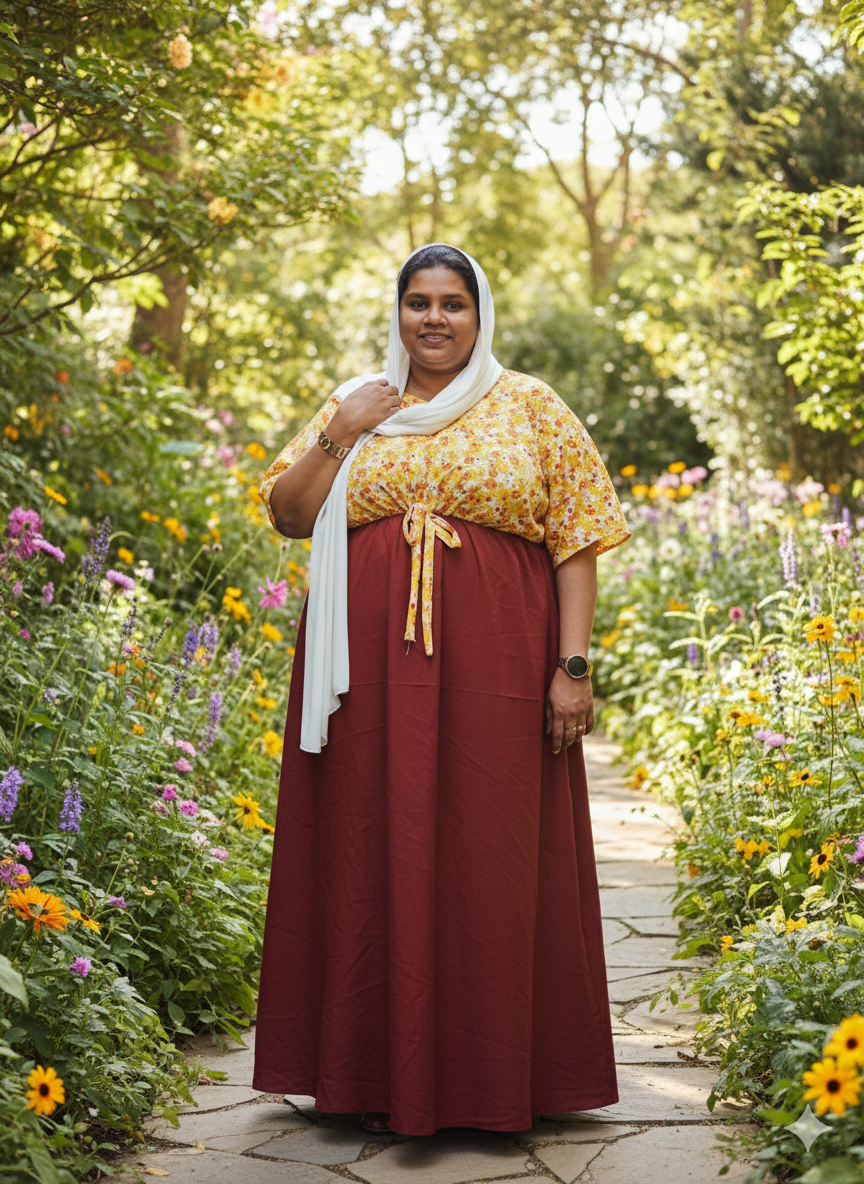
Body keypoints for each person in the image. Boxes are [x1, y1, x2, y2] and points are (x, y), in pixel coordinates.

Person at [252, 243, 630, 1137]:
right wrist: (343, 429)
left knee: (493, 848)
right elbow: (290, 514)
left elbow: (577, 541)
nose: (433, 318)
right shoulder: (358, 402)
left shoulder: (530, 405)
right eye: (418, 302)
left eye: (452, 303)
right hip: (363, 673)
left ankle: (496, 1077)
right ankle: (366, 1073)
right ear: (398, 312)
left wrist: (573, 668)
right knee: (369, 840)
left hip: (497, 663)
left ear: (478, 313)